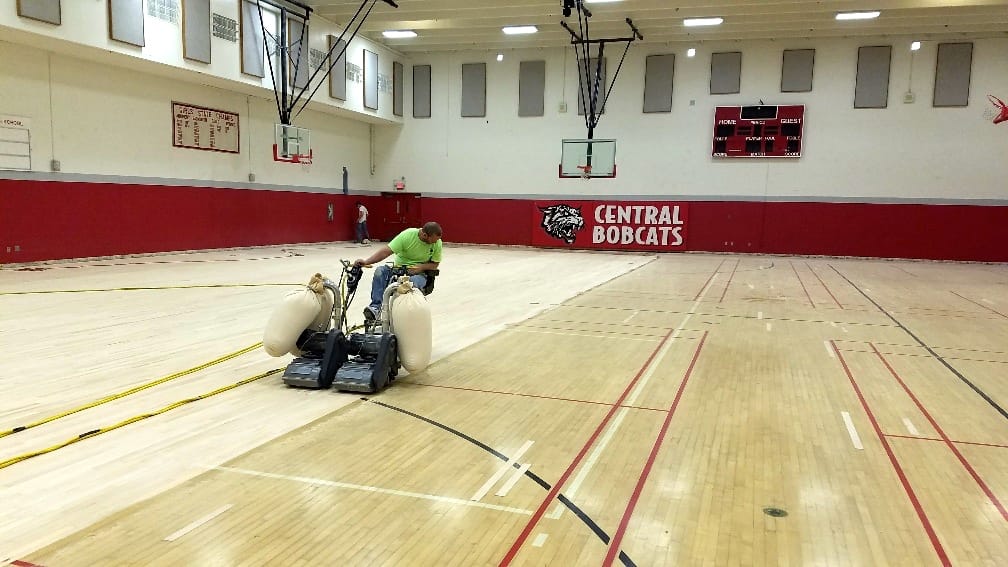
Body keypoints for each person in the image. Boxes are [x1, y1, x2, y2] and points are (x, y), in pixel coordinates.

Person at [355, 222, 443, 322]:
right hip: (399, 269)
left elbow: (435, 264)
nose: (435, 243)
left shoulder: (437, 242)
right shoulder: (407, 235)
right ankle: (376, 308)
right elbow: (386, 251)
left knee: (410, 283)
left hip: (419, 274)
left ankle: (405, 315)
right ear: (424, 235)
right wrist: (366, 261)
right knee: (380, 271)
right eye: (433, 241)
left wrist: (421, 267)